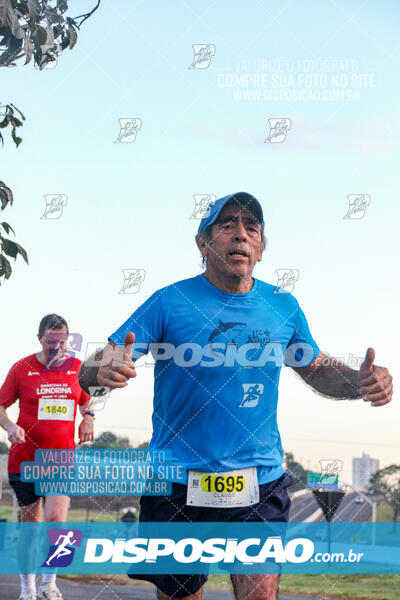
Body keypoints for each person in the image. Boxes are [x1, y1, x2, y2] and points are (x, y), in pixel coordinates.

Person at [78, 192, 393, 600]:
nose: (240, 235)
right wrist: (98, 369)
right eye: (227, 225)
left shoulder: (282, 306)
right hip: (178, 482)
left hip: (258, 483)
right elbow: (107, 357)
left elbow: (315, 369)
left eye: (251, 227)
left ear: (261, 249)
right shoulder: (169, 302)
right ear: (202, 243)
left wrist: (359, 381)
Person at [0, 314, 95, 600]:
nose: (57, 347)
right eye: (51, 341)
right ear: (40, 338)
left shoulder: (77, 369)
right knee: (31, 526)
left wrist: (87, 418)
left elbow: (89, 399)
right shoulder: (22, 368)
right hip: (26, 458)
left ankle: (49, 584)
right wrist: (10, 426)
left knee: (57, 520)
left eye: (62, 341)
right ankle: (28, 588)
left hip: (60, 460)